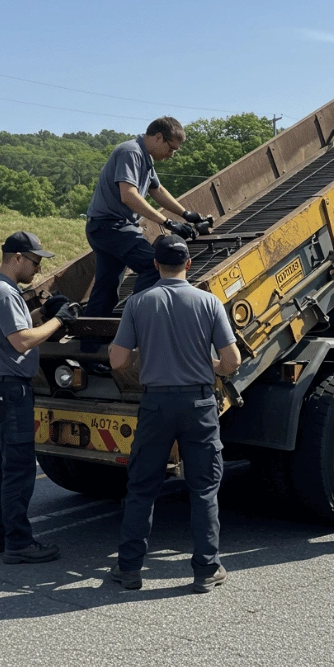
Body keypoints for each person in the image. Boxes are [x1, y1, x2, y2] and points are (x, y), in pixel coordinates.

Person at [108, 235, 241, 593]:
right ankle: (206, 569)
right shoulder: (208, 302)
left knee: (142, 488)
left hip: (155, 405)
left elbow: (117, 360)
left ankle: (129, 569)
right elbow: (231, 361)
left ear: (155, 265)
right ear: (189, 264)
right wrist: (208, 365)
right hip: (199, 405)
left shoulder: (138, 302)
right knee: (204, 489)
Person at [0, 231, 80, 564]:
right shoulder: (5, 294)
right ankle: (19, 543)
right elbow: (21, 341)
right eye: (35, 262)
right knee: (18, 470)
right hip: (10, 391)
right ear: (17, 257)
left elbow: (13, 331)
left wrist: (45, 312)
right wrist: (59, 320)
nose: (37, 269)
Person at [84, 116, 207, 317]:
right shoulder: (131, 152)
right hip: (112, 227)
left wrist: (186, 214)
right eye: (171, 148)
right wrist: (168, 222)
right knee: (156, 267)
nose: (172, 155)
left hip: (105, 228)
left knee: (106, 287)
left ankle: (90, 333)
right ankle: (137, 320)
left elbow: (157, 190)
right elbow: (129, 196)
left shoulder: (144, 157)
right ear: (158, 137)